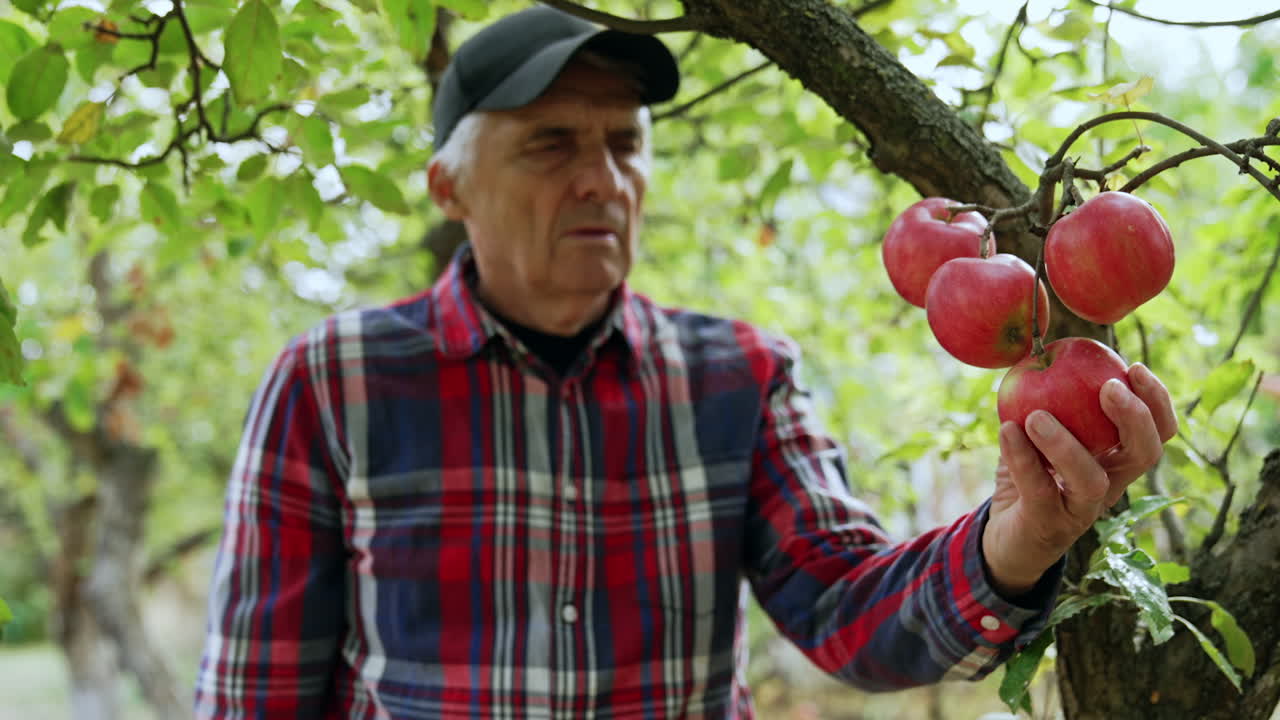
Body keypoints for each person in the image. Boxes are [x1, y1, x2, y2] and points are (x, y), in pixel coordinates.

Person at [194, 6, 1179, 718]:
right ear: (446, 184)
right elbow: (257, 692)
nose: (601, 179)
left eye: (623, 144)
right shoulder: (336, 383)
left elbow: (846, 612)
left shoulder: (736, 376)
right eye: (549, 145)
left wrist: (1013, 543)